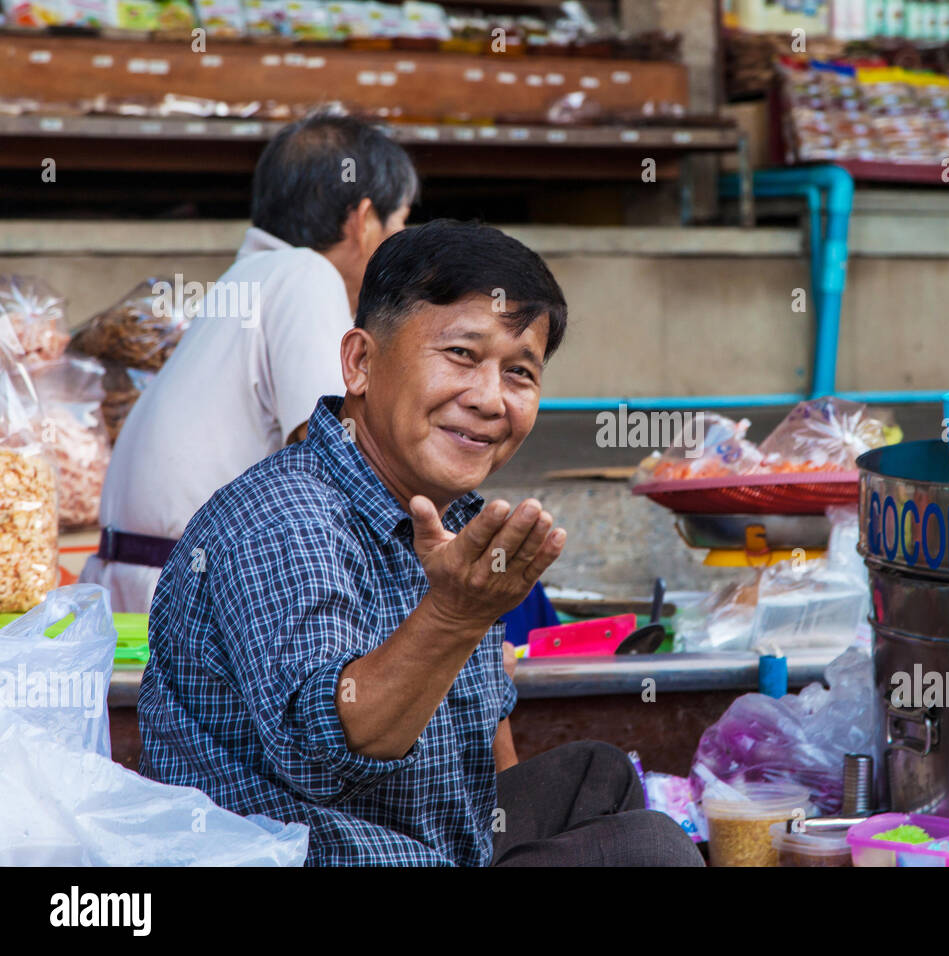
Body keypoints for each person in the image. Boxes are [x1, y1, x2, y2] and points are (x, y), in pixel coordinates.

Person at [137, 219, 703, 867]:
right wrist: (455, 615)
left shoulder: (456, 516)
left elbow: (488, 740)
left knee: (595, 778)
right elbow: (326, 757)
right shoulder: (283, 516)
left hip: (431, 845)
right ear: (360, 362)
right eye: (462, 355)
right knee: (651, 851)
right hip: (310, 856)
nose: (491, 399)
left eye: (520, 371)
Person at [81, 113, 417, 614]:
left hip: (148, 583)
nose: (401, 239)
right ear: (364, 221)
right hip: (193, 598)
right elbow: (336, 452)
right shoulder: (306, 273)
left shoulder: (251, 277)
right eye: (401, 223)